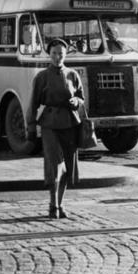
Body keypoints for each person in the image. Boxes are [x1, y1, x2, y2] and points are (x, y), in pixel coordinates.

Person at [28, 38, 84, 219]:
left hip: (70, 124)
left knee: (67, 166)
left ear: (65, 54)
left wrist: (77, 101)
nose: (57, 57)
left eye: (61, 53)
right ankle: (52, 204)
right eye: (54, 53)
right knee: (54, 166)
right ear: (48, 54)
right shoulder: (41, 77)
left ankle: (60, 203)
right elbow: (33, 104)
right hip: (50, 125)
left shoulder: (73, 75)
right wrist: (30, 128)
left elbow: (81, 98)